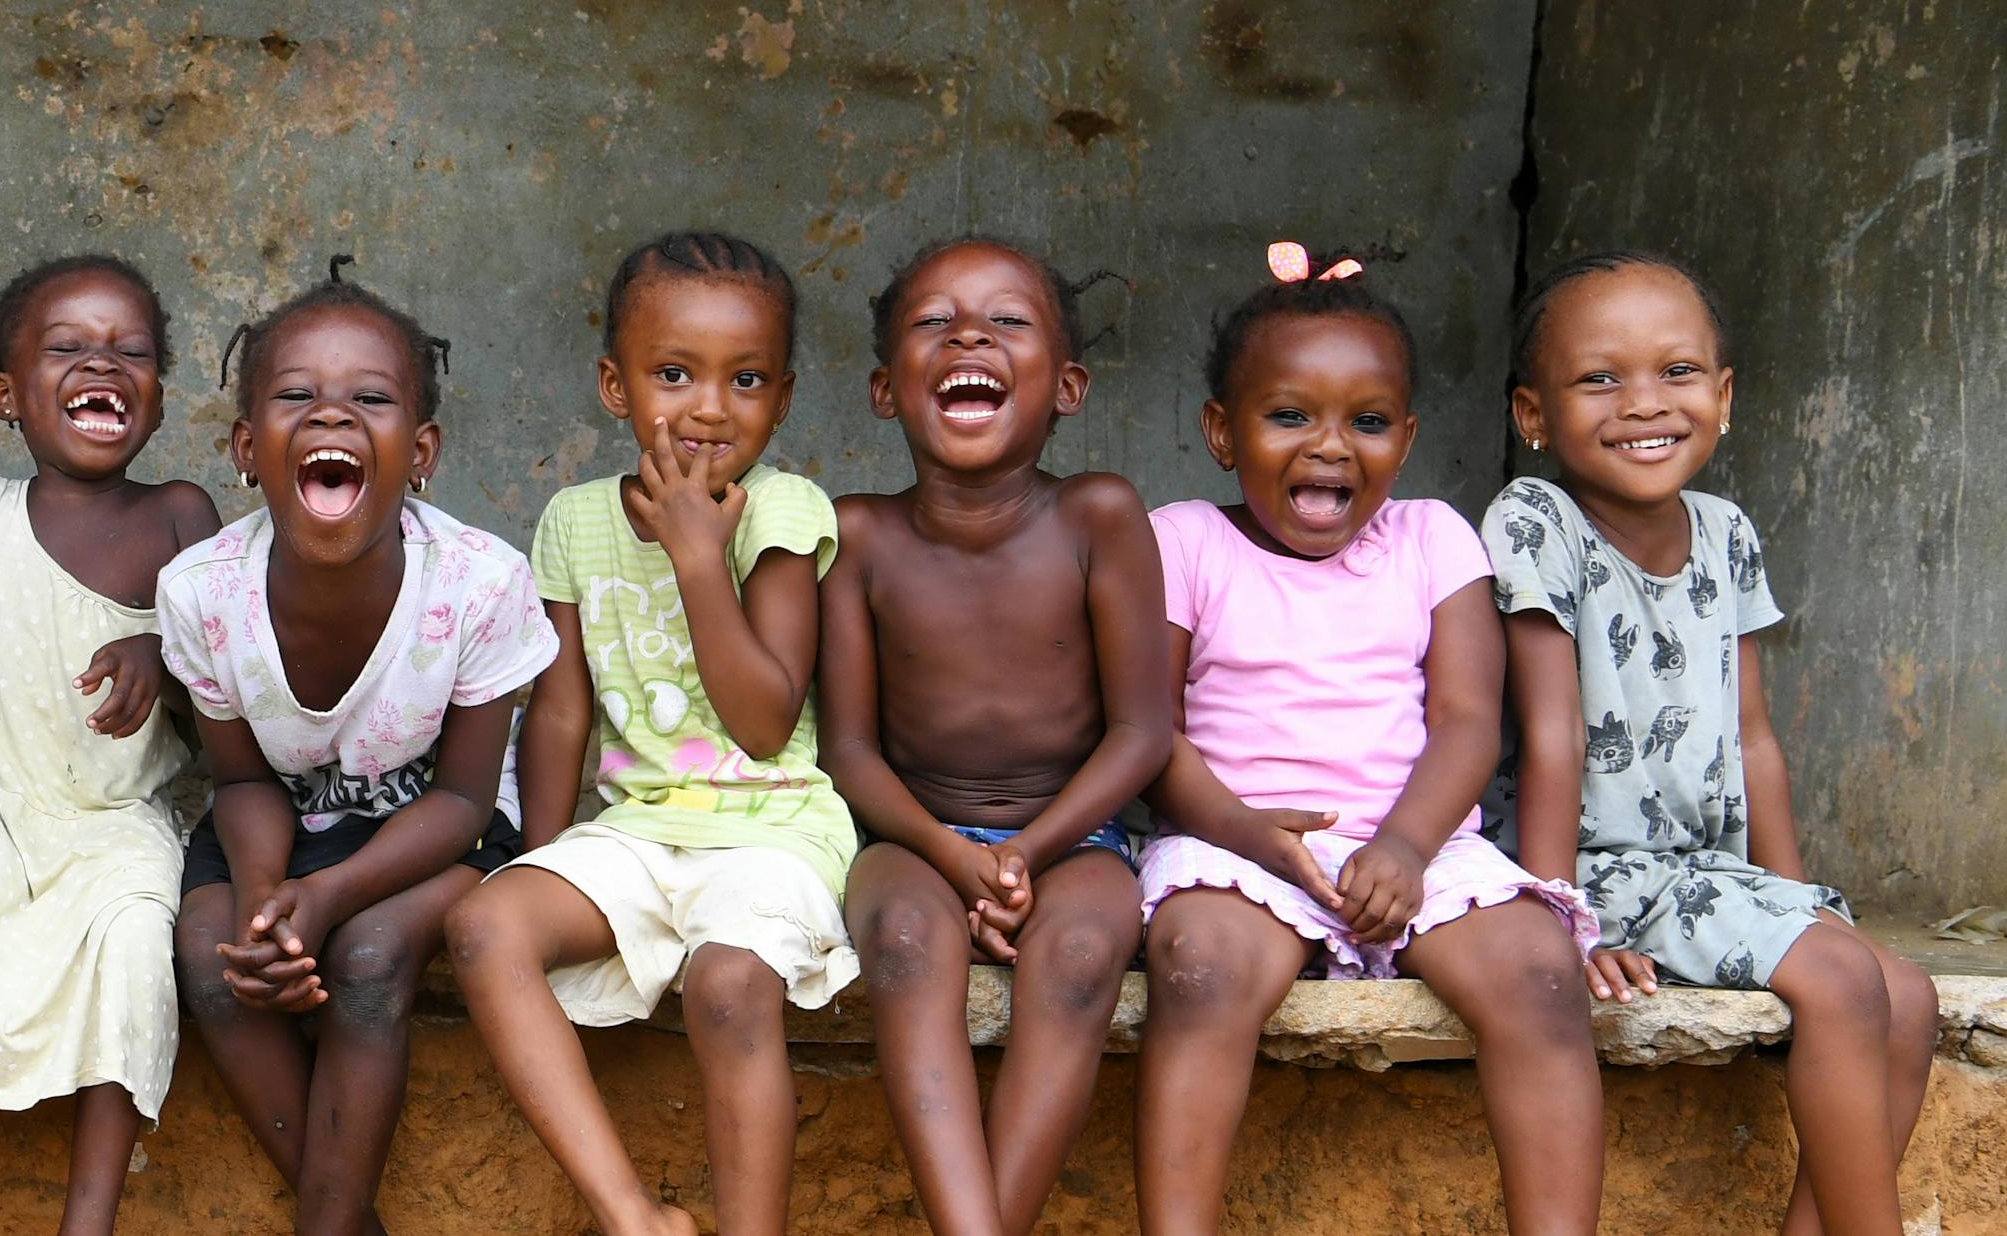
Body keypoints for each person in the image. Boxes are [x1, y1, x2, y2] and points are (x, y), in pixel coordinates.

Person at [1132, 251, 1603, 1236]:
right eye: (1290, 415)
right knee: (1202, 970)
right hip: (1232, 840)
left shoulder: (1434, 539)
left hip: (1420, 839)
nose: (1331, 446)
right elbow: (1150, 729)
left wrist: (1404, 847)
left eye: (1369, 421)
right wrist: (1254, 836)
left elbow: (1470, 720)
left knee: (1541, 974)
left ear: (1407, 437)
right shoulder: (1180, 542)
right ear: (1222, 430)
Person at [1492, 250, 1933, 1236]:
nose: (1642, 404)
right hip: (1597, 875)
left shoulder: (1727, 532)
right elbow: (1552, 736)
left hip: (1704, 875)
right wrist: (1561, 920)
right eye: (1599, 378)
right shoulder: (1536, 521)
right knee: (1845, 981)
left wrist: (1798, 904)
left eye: (1677, 373)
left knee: (1905, 996)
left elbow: (1753, 737)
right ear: (1532, 414)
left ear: (1723, 395)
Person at [447, 233, 853, 1236]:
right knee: (485, 926)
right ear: (614, 386)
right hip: (638, 833)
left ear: (784, 398)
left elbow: (764, 724)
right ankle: (635, 1217)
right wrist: (543, 858)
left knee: (727, 984)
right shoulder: (574, 522)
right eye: (674, 373)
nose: (709, 406)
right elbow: (561, 710)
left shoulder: (785, 514)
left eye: (745, 379)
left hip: (773, 834)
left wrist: (698, 556)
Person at [161, 263, 558, 1236]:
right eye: (297, 395)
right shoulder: (203, 593)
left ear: (419, 453)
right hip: (283, 825)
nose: (332, 416)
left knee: (373, 956)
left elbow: (466, 800)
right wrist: (266, 908)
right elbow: (244, 776)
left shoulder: (479, 585)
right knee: (212, 959)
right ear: (249, 449)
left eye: (369, 399)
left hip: (439, 831)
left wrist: (330, 900)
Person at [0, 254, 221, 1236]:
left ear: (157, 391)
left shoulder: (180, 514)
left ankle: (86, 1224)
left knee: (139, 939)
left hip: (112, 822)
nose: (101, 362)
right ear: (7, 396)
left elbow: (226, 672)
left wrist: (164, 652)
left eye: (129, 350)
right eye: (67, 348)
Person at [816, 238, 1172, 1236]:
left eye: (1006, 320)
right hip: (910, 841)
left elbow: (1143, 733)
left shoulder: (1098, 514)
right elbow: (848, 751)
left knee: (1086, 949)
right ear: (887, 391)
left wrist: (1024, 853)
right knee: (896, 938)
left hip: (1074, 840)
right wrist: (951, 857)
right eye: (934, 321)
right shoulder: (857, 537)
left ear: (1067, 386)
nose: (968, 333)